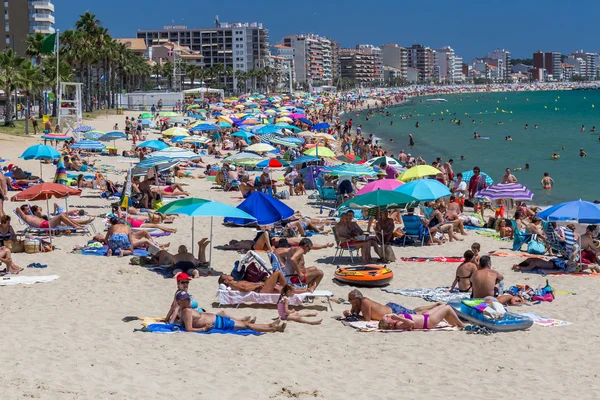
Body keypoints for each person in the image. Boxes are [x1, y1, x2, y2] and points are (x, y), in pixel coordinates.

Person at [177, 291, 286, 333]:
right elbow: (189, 329)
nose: (187, 301)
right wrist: (203, 329)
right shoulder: (186, 311)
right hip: (218, 323)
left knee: (246, 325)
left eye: (187, 299)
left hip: (218, 320)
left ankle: (271, 326)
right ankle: (273, 327)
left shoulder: (185, 310)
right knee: (247, 325)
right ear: (179, 302)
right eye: (184, 300)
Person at [343, 289, 443, 321]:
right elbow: (354, 313)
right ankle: (435, 305)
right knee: (414, 311)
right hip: (391, 308)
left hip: (394, 312)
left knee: (417, 314)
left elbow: (367, 319)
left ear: (356, 300)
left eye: (350, 299)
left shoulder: (365, 302)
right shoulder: (359, 302)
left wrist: (353, 316)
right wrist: (350, 313)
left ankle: (437, 307)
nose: (349, 301)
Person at [378, 304, 466, 330]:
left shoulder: (397, 320)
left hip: (425, 316)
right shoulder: (399, 324)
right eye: (387, 318)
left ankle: (453, 322)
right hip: (428, 322)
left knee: (443, 305)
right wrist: (398, 318)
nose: (389, 316)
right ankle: (461, 324)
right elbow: (411, 324)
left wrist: (396, 316)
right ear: (390, 324)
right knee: (448, 308)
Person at [218, 270, 313, 294]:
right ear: (226, 281)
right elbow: (245, 289)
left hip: (261, 287)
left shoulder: (235, 282)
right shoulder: (234, 285)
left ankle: (307, 290)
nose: (228, 274)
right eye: (226, 275)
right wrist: (258, 284)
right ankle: (291, 288)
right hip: (260, 290)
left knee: (282, 290)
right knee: (278, 273)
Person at [16, 204, 87, 230]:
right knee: (61, 215)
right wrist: (23, 210)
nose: (28, 210)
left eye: (29, 209)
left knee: (63, 215)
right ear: (23, 211)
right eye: (27, 209)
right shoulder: (25, 216)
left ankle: (76, 224)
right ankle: (75, 226)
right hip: (44, 225)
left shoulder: (31, 215)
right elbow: (17, 208)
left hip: (46, 223)